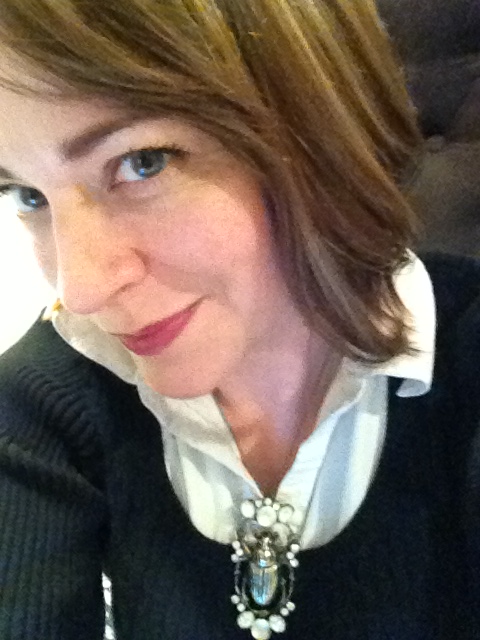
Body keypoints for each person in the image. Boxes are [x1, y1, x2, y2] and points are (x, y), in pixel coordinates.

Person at [0, 1, 479, 639]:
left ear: (319, 130)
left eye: (144, 162)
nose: (80, 289)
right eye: (27, 194)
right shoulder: (43, 398)